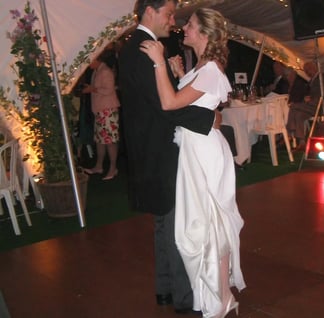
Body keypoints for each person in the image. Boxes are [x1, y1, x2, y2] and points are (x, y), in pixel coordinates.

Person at [141, 7, 246, 317]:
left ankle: (220, 298)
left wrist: (159, 61)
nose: (183, 27)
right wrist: (175, 73)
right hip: (193, 149)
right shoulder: (202, 66)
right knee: (199, 224)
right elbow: (191, 103)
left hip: (204, 153)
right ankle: (210, 292)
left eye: (190, 24)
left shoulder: (211, 69)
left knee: (210, 224)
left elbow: (170, 103)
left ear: (203, 34)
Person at [117, 0, 217, 314]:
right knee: (177, 224)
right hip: (161, 150)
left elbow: (162, 99)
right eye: (168, 13)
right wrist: (209, 120)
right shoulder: (145, 49)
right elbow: (165, 105)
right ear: (150, 11)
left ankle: (165, 289)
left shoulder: (136, 47)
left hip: (151, 148)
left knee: (165, 221)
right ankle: (184, 298)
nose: (173, 21)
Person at [82, 50, 120, 180]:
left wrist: (92, 89)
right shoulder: (97, 71)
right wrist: (91, 88)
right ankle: (99, 166)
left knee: (110, 140)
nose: (88, 65)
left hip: (108, 110)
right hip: (100, 110)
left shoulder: (105, 71)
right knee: (100, 140)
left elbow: (109, 89)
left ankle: (113, 167)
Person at [286, 60, 324, 150]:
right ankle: (302, 141)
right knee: (299, 115)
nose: (308, 71)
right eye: (306, 70)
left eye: (309, 68)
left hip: (321, 105)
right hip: (312, 106)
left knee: (293, 106)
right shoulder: (311, 81)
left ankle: (289, 133)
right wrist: (309, 97)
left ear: (315, 67)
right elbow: (313, 93)